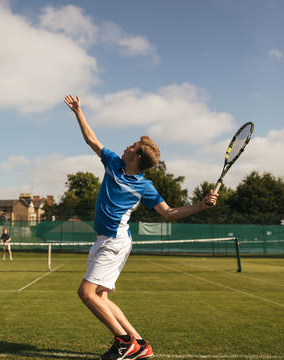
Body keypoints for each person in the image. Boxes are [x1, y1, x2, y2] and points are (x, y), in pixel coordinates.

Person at [64, 94, 218, 360]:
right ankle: (140, 344)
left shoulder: (145, 186)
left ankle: (124, 342)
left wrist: (200, 206)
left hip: (114, 241)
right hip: (107, 239)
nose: (126, 146)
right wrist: (78, 111)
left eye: (132, 145)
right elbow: (91, 139)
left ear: (136, 156)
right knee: (101, 296)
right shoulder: (113, 162)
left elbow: (169, 213)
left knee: (87, 294)